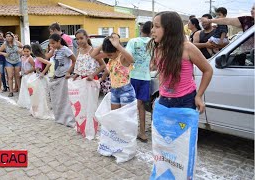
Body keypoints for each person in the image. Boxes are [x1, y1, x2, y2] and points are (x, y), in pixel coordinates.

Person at [149, 11, 213, 179]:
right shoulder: (158, 47)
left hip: (185, 103)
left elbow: (208, 70)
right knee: (163, 147)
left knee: (182, 150)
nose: (152, 31)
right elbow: (162, 73)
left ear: (169, 29)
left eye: (156, 27)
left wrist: (199, 96)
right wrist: (161, 96)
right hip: (164, 103)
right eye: (152, 26)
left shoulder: (187, 48)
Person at [91, 33, 135, 110]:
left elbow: (131, 60)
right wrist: (105, 42)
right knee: (115, 117)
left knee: (125, 118)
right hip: (114, 91)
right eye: (107, 54)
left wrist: (118, 46)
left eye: (110, 55)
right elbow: (93, 55)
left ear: (117, 50)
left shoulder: (122, 57)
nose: (107, 56)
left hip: (126, 91)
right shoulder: (111, 55)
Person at [125, 21, 152, 142]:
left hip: (133, 76)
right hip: (146, 77)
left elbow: (127, 57)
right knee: (141, 106)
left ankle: (128, 131)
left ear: (141, 29)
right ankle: (142, 132)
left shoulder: (133, 41)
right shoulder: (154, 43)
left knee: (131, 105)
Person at [48, 33, 76, 127]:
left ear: (59, 41)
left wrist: (69, 72)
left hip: (64, 77)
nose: (51, 45)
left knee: (65, 100)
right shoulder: (55, 51)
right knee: (59, 99)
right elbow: (48, 58)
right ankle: (60, 118)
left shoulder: (66, 50)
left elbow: (74, 60)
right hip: (57, 76)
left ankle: (69, 119)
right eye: (50, 44)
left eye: (53, 43)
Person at [0, 31, 23, 97]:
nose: (8, 38)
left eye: (9, 36)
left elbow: (23, 47)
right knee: (10, 76)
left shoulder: (16, 42)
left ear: (12, 37)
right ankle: (11, 91)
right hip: (9, 61)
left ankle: (20, 90)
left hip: (17, 61)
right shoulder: (5, 44)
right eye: (7, 36)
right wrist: (4, 53)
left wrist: (20, 50)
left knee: (17, 76)